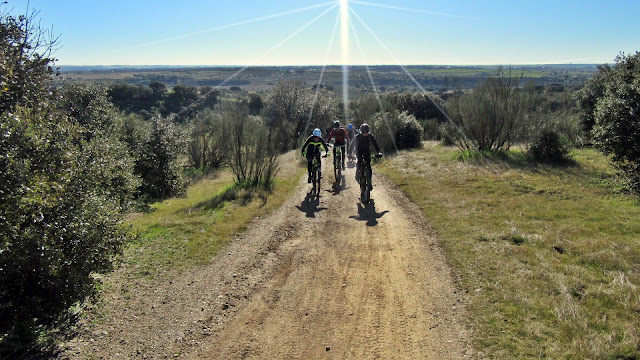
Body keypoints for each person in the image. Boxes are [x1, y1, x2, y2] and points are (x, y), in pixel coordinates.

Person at [351, 123, 382, 190]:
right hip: (359, 151)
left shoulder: (370, 136)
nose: (365, 134)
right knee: (359, 162)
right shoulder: (358, 136)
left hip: (367, 151)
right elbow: (352, 145)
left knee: (369, 167)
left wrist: (379, 152)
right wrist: (349, 153)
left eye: (366, 132)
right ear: (361, 131)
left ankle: (369, 182)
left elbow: (376, 144)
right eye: (364, 132)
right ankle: (357, 172)